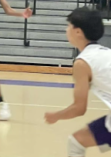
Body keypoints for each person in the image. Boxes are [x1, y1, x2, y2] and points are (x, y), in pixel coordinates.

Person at [44, 8, 110, 157]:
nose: (66, 30)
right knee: (77, 140)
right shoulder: (104, 52)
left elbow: (79, 108)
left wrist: (56, 116)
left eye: (69, 26)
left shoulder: (83, 63)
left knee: (76, 143)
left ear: (78, 32)